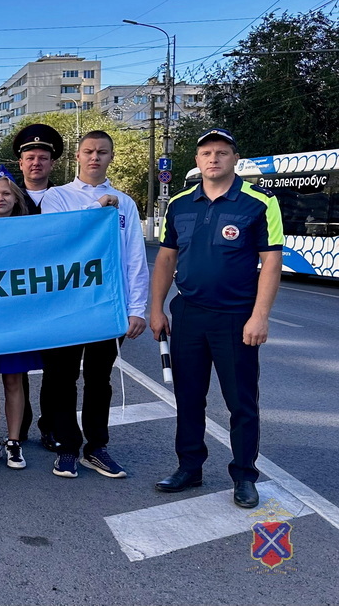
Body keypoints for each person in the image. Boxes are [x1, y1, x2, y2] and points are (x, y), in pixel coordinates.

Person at [150, 128, 282, 509]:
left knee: (241, 402)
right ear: (197, 160)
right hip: (189, 314)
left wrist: (260, 316)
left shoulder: (258, 202)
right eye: (206, 153)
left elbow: (271, 262)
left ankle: (244, 476)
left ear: (234, 159)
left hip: (236, 317)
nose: (213, 159)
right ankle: (189, 468)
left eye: (221, 153)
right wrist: (156, 308)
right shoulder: (179, 204)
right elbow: (166, 259)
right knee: (188, 397)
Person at [40, 130, 149, 480]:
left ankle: (96, 447)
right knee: (61, 378)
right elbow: (58, 237)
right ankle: (67, 447)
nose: (95, 157)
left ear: (111, 157)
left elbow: (134, 258)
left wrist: (138, 308)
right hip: (64, 305)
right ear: (77, 156)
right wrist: (95, 208)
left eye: (102, 152)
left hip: (107, 306)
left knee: (100, 380)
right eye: (88, 151)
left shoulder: (126, 203)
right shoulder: (57, 197)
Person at [0, 168, 42, 471]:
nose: (0, 198)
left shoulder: (30, 230)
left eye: (5, 193)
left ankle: (14, 442)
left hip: (16, 319)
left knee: (14, 381)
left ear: (16, 198)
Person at [11, 123, 65, 450]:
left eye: (42, 157)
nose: (36, 163)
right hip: (16, 297)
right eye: (30, 157)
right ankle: (20, 427)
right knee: (17, 368)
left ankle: (51, 426)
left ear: (52, 163)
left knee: (57, 368)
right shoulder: (6, 196)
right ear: (20, 162)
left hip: (55, 296)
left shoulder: (65, 199)